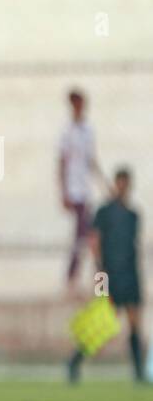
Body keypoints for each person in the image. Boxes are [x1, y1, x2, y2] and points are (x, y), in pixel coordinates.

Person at [68, 167, 145, 383]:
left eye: (126, 184)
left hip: (131, 275)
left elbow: (133, 247)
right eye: (119, 183)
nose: (122, 187)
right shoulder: (103, 213)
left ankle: (138, 373)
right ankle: (74, 361)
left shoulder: (134, 215)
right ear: (115, 184)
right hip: (110, 275)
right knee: (103, 323)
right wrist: (100, 274)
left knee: (135, 323)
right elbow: (94, 242)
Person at [59, 89, 107, 292]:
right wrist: (64, 192)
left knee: (89, 236)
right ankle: (83, 279)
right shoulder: (66, 132)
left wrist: (105, 185)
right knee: (85, 235)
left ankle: (86, 278)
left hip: (86, 191)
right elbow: (62, 162)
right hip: (74, 190)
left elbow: (91, 160)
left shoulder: (88, 130)